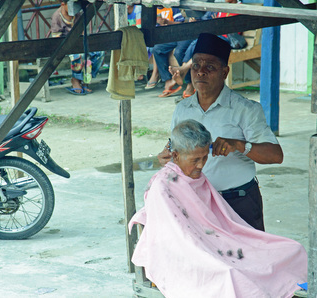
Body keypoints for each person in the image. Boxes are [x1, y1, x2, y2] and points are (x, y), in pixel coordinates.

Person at [130, 119, 307, 297]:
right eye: (195, 160)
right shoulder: (163, 186)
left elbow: (220, 220)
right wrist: (210, 251)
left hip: (217, 242)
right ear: (175, 156)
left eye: (204, 157)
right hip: (188, 251)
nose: (201, 165)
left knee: (290, 249)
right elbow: (178, 238)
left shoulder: (197, 177)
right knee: (229, 274)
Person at [158, 33, 283, 231]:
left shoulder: (245, 109)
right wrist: (166, 156)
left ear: (225, 72)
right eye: (196, 65)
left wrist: (239, 145)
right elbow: (173, 147)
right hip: (196, 201)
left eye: (210, 67)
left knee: (246, 259)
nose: (201, 72)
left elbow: (276, 156)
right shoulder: (183, 109)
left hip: (238, 203)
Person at [169, 0, 246, 99]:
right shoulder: (221, 7)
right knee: (188, 46)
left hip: (227, 40)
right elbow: (207, 21)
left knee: (199, 43)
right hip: (215, 37)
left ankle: (184, 72)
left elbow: (237, 28)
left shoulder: (242, 8)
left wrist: (219, 24)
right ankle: (187, 78)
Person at [50, 0, 105, 95]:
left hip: (79, 44)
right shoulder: (57, 16)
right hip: (66, 46)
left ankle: (86, 79)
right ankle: (75, 80)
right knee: (79, 55)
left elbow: (82, 32)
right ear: (63, 4)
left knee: (99, 53)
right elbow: (56, 38)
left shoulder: (77, 14)